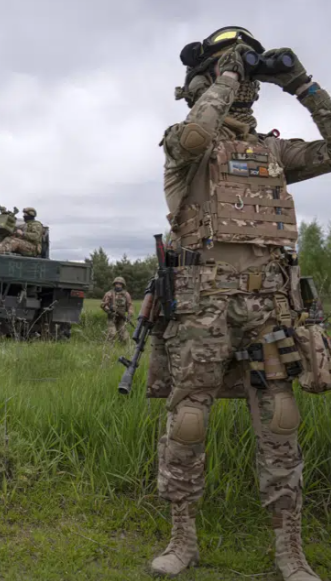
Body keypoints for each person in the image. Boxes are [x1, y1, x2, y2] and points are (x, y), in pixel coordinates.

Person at [152, 26, 330, 579]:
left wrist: (301, 84)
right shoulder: (183, 146)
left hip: (269, 308)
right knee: (187, 422)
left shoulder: (272, 152)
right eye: (230, 73)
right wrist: (226, 75)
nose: (244, 82)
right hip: (199, 307)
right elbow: (198, 136)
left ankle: (289, 549)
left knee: (279, 420)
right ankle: (182, 539)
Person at [101, 277, 133, 342]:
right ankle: (109, 349)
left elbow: (130, 306)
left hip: (121, 318)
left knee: (124, 337)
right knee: (112, 334)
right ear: (114, 284)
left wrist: (129, 315)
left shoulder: (126, 294)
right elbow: (103, 304)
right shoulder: (109, 293)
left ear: (123, 285)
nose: (118, 285)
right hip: (111, 318)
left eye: (120, 284)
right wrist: (109, 311)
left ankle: (124, 349)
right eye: (117, 284)